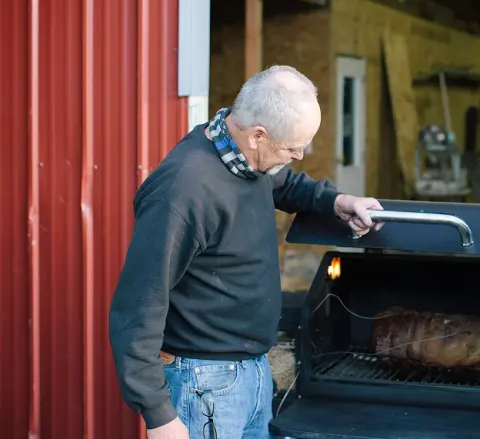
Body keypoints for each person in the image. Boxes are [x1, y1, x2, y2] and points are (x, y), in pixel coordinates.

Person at [109, 65, 384, 439]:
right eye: (292, 148)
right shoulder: (183, 190)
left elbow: (284, 183)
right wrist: (159, 415)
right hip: (202, 385)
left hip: (251, 373)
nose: (300, 155)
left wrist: (338, 201)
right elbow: (137, 307)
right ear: (258, 135)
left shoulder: (248, 159)